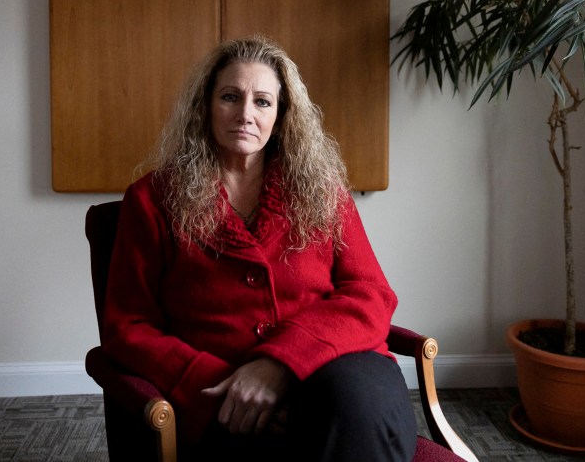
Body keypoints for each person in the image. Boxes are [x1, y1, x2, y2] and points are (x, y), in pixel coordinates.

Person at [102, 36, 417, 461]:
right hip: (221, 398)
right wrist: (225, 387)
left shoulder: (323, 192)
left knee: (358, 406)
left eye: (263, 101)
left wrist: (280, 363)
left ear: (282, 115)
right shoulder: (153, 199)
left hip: (337, 370)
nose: (246, 114)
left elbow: (370, 293)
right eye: (230, 96)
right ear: (205, 106)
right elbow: (129, 326)